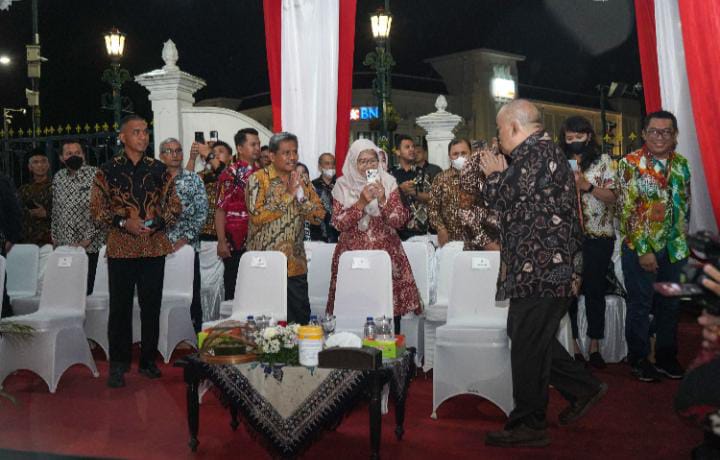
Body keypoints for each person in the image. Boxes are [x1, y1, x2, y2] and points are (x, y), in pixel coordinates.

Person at [479, 99, 606, 448]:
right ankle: (583, 387)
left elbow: (502, 198)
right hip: (543, 267)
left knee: (527, 343)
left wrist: (493, 175)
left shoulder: (535, 154)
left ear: (515, 127)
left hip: (543, 268)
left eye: (500, 130)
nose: (498, 137)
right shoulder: (540, 153)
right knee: (528, 337)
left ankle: (529, 422)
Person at [90, 115, 182, 388]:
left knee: (151, 307)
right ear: (122, 137)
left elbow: (174, 206)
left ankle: (148, 361)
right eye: (136, 132)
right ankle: (118, 365)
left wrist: (158, 223)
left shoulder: (159, 169)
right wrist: (123, 222)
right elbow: (97, 210)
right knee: (119, 309)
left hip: (153, 247)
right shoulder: (107, 170)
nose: (143, 136)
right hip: (121, 248)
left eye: (145, 132)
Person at [617, 110, 691, 382]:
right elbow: (626, 211)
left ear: (675, 135)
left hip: (675, 249)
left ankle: (666, 356)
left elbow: (686, 203)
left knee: (670, 305)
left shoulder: (681, 164)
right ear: (644, 133)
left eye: (666, 131)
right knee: (640, 305)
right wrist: (643, 249)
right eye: (654, 131)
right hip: (642, 248)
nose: (660, 136)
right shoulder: (629, 164)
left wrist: (683, 243)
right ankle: (638, 358)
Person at [326, 139, 421, 330]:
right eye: (363, 161)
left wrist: (383, 199)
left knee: (387, 308)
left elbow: (399, 221)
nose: (369, 165)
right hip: (352, 256)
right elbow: (338, 223)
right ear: (353, 162)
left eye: (373, 160)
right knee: (353, 307)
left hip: (386, 255)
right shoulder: (342, 185)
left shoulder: (388, 181)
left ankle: (389, 343)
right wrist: (361, 203)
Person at [245, 132, 325, 324]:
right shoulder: (258, 179)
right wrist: (288, 195)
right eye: (286, 153)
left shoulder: (302, 180)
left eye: (295, 152)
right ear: (272, 156)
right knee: (266, 324)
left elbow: (318, 216)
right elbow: (257, 216)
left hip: (295, 264)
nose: (292, 157)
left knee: (299, 321)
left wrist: (301, 198)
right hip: (264, 264)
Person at [559, 116, 617, 369]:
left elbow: (613, 197)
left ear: (589, 137)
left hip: (598, 236)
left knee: (595, 291)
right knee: (569, 293)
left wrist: (586, 186)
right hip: (567, 237)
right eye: (569, 138)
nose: (574, 142)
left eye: (579, 137)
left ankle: (594, 345)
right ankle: (572, 345)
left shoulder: (604, 162)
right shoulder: (559, 161)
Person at [159, 138, 208, 333]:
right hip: (158, 248)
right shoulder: (153, 180)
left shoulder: (193, 179)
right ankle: (163, 334)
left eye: (178, 150)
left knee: (192, 294)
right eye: (169, 151)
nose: (175, 155)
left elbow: (202, 213)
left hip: (187, 247)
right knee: (160, 294)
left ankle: (194, 335)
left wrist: (184, 239)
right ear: (161, 156)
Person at [51, 140, 105, 295]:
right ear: (62, 158)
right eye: (69, 153)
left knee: (87, 292)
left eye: (77, 153)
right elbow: (55, 210)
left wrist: (86, 240)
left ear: (83, 155)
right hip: (65, 247)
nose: (74, 156)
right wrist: (54, 238)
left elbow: (102, 211)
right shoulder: (59, 177)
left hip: (90, 247)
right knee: (68, 292)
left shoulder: (96, 175)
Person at [215, 128, 260, 300]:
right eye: (252, 144)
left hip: (258, 241)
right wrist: (221, 241)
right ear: (240, 148)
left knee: (255, 289)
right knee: (235, 290)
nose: (257, 148)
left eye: (258, 144)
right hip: (234, 243)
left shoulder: (262, 173)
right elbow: (220, 209)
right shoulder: (230, 174)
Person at [430, 138, 494, 248]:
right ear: (449, 157)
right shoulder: (440, 179)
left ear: (471, 153)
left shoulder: (482, 176)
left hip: (480, 242)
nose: (460, 157)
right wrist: (440, 228)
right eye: (455, 154)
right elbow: (433, 209)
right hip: (451, 242)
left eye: (464, 153)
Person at [458, 138, 501, 251]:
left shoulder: (523, 160)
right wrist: (486, 242)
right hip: (483, 242)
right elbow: (464, 210)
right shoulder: (477, 160)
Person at [390, 135, 432, 240]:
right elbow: (383, 200)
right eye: (407, 147)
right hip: (395, 231)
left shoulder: (423, 173)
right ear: (398, 152)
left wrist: (414, 193)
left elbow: (431, 198)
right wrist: (400, 190)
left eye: (413, 146)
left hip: (419, 230)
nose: (412, 149)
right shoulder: (390, 174)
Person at [18, 148, 52, 246]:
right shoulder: (23, 190)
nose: (40, 165)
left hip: (49, 242)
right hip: (26, 241)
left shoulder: (58, 187)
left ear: (48, 165)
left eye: (43, 161)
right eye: (36, 162)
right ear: (30, 167)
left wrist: (46, 214)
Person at [0, 172, 22, 318]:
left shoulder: (2, 181)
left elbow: (14, 209)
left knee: (1, 288)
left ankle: (6, 323)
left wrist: (11, 237)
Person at [310, 152, 339, 243]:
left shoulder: (341, 185)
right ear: (320, 167)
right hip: (317, 237)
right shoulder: (312, 186)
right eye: (327, 163)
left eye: (333, 164)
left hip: (338, 237)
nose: (331, 166)